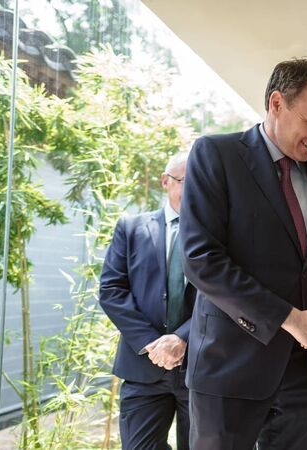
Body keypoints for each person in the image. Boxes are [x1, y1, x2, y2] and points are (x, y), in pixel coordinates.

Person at [179, 58, 307, 450]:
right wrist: (289, 319)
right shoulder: (216, 155)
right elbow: (201, 259)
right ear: (277, 103)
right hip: (230, 368)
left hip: (306, 377)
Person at [99, 152, 195, 450]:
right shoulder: (131, 227)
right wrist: (155, 345)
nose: (195, 188)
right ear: (166, 181)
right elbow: (112, 290)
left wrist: (181, 338)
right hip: (143, 367)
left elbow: (223, 298)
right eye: (186, 180)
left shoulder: (219, 234)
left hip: (201, 369)